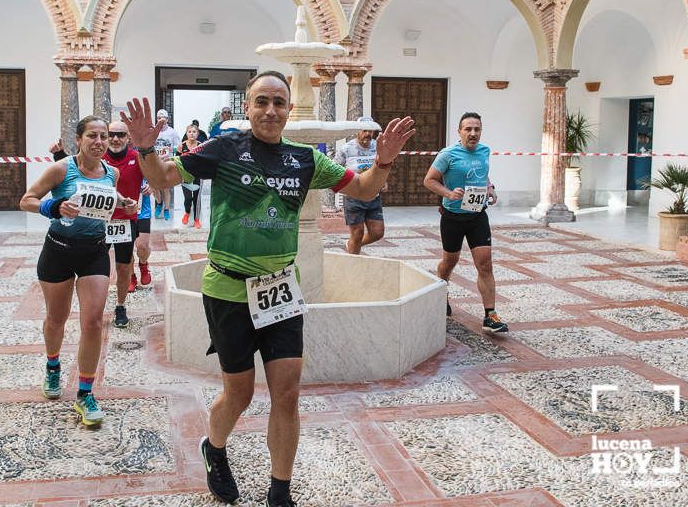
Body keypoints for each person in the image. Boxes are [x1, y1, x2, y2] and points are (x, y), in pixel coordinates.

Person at [119, 70, 415, 507]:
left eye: (278, 102)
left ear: (288, 108)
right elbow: (163, 178)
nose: (270, 110)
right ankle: (214, 447)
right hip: (227, 290)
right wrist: (145, 147)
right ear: (249, 107)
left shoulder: (305, 159)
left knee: (287, 392)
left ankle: (280, 491)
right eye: (261, 101)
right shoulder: (223, 148)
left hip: (280, 292)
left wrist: (384, 161)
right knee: (237, 393)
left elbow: (364, 187)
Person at [21, 116, 138, 426]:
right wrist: (53, 208)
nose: (99, 141)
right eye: (92, 136)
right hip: (58, 251)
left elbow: (102, 204)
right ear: (79, 139)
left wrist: (123, 203)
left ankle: (85, 393)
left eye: (103, 136)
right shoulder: (61, 169)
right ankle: (53, 365)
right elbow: (26, 200)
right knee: (56, 319)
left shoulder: (111, 174)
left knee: (93, 322)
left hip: (94, 252)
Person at [49, 121, 153, 327]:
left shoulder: (136, 158)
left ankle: (121, 306)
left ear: (128, 138)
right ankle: (93, 308)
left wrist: (151, 184)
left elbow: (154, 174)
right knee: (94, 267)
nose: (115, 139)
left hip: (125, 221)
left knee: (124, 268)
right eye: (111, 134)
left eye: (121, 135)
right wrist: (59, 155)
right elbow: (75, 172)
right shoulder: (98, 155)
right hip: (97, 223)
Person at [422, 111, 508, 333]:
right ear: (459, 131)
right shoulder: (448, 154)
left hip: (477, 214)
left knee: (485, 263)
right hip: (453, 217)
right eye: (468, 129)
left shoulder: (485, 151)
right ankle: (441, 293)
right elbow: (429, 180)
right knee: (450, 261)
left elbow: (482, 173)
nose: (473, 133)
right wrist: (449, 193)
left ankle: (490, 315)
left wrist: (490, 188)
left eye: (477, 129)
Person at [334, 116, 385, 254]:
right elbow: (334, 169)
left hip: (373, 195)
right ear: (357, 131)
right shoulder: (346, 149)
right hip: (353, 196)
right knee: (357, 233)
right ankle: (353, 261)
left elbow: (384, 166)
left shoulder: (378, 146)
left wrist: (383, 181)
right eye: (364, 130)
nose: (368, 134)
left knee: (377, 232)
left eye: (370, 131)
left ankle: (352, 244)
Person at [152, 109, 181, 220]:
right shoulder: (153, 131)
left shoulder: (172, 132)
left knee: (166, 188)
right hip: (155, 163)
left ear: (167, 120)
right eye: (159, 118)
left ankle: (167, 209)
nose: (161, 120)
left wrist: (171, 149)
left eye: (163, 119)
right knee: (154, 187)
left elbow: (178, 147)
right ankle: (159, 203)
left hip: (166, 162)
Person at [177, 123, 203, 228]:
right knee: (188, 198)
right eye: (189, 132)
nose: (192, 134)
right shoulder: (181, 146)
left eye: (194, 132)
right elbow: (177, 161)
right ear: (186, 133)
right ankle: (187, 212)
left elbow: (205, 160)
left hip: (197, 176)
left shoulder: (201, 146)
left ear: (198, 134)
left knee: (197, 198)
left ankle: (196, 219)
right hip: (185, 176)